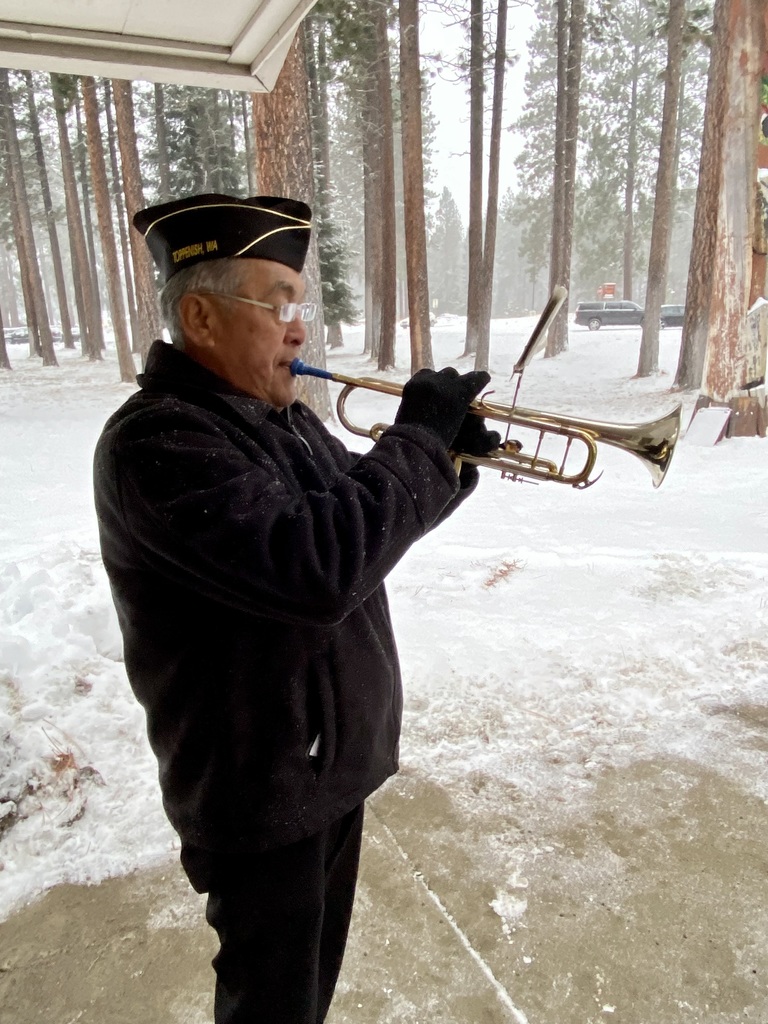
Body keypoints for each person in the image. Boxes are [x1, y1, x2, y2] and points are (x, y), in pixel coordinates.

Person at [93, 192, 500, 1024]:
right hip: (258, 793)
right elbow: (315, 566)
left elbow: (358, 520)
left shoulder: (275, 416)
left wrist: (444, 465)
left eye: (298, 303)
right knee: (272, 1006)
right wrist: (415, 445)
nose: (299, 329)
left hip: (321, 770)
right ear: (200, 316)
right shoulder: (158, 442)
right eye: (276, 302)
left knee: (305, 993)